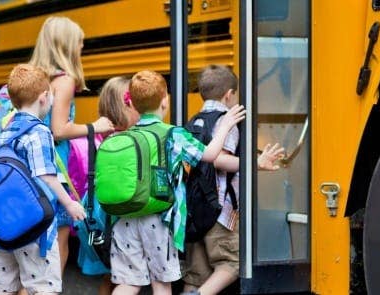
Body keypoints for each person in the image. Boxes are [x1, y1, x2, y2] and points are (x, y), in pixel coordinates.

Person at [109, 70, 246, 295]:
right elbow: (211, 155)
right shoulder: (172, 134)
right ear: (165, 101)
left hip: (125, 217)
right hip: (157, 219)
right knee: (161, 283)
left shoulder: (124, 136)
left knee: (129, 282)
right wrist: (224, 126)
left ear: (131, 103)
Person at [181, 65, 285, 295]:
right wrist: (255, 163)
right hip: (220, 211)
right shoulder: (226, 121)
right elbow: (219, 159)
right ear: (229, 95)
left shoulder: (194, 122)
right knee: (234, 263)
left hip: (195, 209)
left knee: (196, 275)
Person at [0, 64, 86, 295]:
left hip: (3, 223)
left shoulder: (4, 130)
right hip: (33, 225)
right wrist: (70, 203)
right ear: (44, 98)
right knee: (43, 288)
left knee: (4, 288)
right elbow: (46, 176)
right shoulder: (39, 132)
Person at [28, 16, 115, 275]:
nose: (82, 48)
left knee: (30, 248)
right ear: (65, 46)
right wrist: (94, 127)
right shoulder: (64, 81)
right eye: (79, 43)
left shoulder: (36, 78)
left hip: (31, 166)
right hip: (55, 167)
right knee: (59, 241)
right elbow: (58, 130)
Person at [70, 76, 137, 295]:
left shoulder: (105, 138)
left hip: (99, 215)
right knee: (123, 277)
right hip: (115, 218)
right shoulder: (123, 141)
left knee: (111, 276)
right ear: (125, 106)